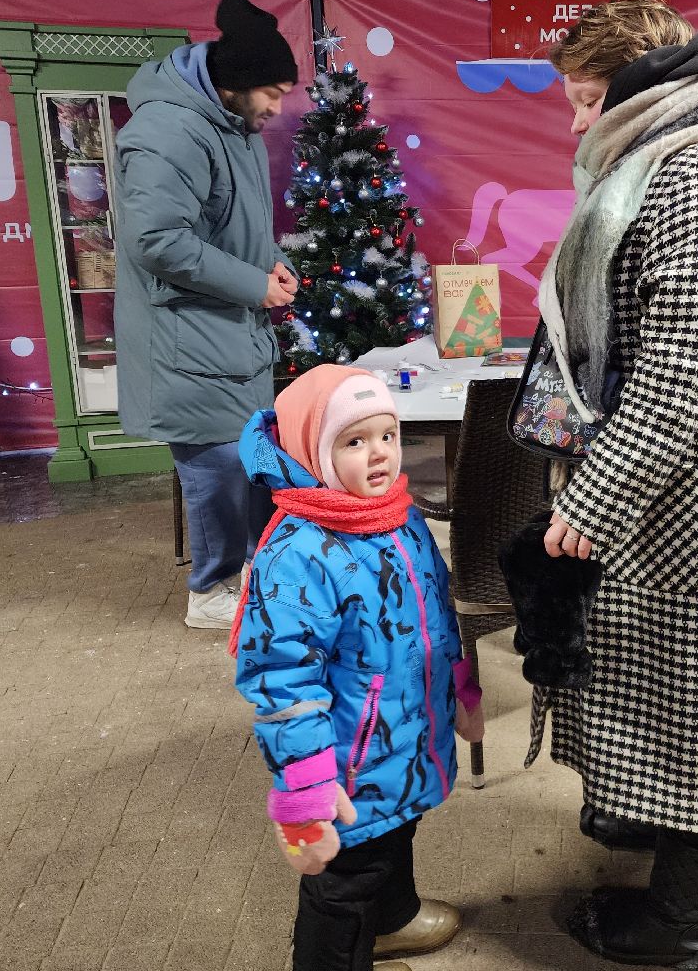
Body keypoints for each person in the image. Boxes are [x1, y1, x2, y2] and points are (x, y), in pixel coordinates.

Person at [537, 0, 698, 969]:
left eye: (585, 98)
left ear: (641, 86)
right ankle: (644, 832)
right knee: (659, 682)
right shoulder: (666, 162)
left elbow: (678, 376)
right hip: (669, 491)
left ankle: (686, 928)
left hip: (694, 501)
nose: (574, 122)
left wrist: (590, 501)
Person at [229, 366, 484, 971]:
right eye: (353, 441)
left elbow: (436, 620)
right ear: (314, 452)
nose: (378, 455)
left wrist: (460, 690)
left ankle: (392, 919)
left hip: (407, 740)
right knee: (344, 883)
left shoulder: (400, 516)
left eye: (387, 436)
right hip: (346, 763)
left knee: (397, 834)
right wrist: (307, 785)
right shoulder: (297, 553)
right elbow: (281, 681)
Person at [115, 0, 301, 628]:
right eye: (273, 91)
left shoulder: (232, 125)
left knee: (246, 458)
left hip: (225, 332)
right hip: (186, 337)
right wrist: (253, 285)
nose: (278, 108)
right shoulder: (167, 132)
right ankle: (211, 591)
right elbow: (158, 240)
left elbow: (238, 225)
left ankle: (249, 571)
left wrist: (270, 264)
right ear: (237, 82)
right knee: (215, 468)